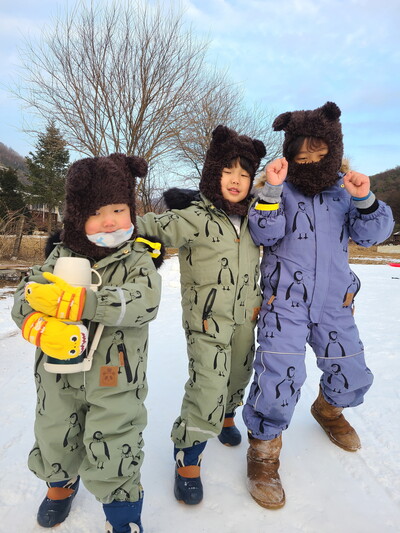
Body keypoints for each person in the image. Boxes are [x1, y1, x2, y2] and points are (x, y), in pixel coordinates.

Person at [242, 102, 394, 509]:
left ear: (335, 151)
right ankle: (263, 453)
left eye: (320, 155)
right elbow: (263, 233)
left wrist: (364, 198)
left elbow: (373, 234)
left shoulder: (345, 190)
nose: (310, 163)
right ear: (289, 156)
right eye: (301, 157)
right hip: (285, 303)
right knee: (278, 379)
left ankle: (328, 411)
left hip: (334, 303)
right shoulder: (278, 188)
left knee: (353, 372)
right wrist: (272, 190)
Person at [11, 153, 164, 533]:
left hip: (116, 375)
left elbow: (145, 302)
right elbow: (23, 296)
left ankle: (122, 512)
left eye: (119, 208)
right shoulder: (58, 258)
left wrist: (88, 302)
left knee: (116, 440)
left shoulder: (137, 260)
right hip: (57, 375)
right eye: (97, 212)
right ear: (77, 218)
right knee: (55, 431)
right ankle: (60, 485)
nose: (110, 220)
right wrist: (35, 323)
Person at [137, 125, 266, 505]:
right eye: (229, 172)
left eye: (244, 174)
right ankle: (188, 453)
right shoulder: (195, 217)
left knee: (239, 373)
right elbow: (150, 227)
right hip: (207, 321)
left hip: (246, 316)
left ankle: (228, 416)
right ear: (213, 173)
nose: (237, 180)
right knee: (208, 384)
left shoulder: (255, 219)